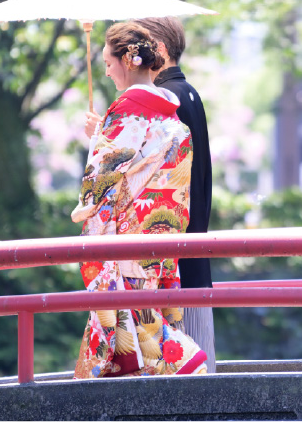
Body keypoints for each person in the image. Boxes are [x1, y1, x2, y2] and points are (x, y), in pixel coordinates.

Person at [72, 22, 207, 378]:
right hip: (159, 234)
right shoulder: (171, 115)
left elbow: (102, 177)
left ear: (128, 61)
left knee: (134, 320)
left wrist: (96, 141)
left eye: (108, 62)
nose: (106, 71)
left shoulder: (127, 109)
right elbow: (170, 184)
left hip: (126, 239)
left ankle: (188, 364)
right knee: (142, 315)